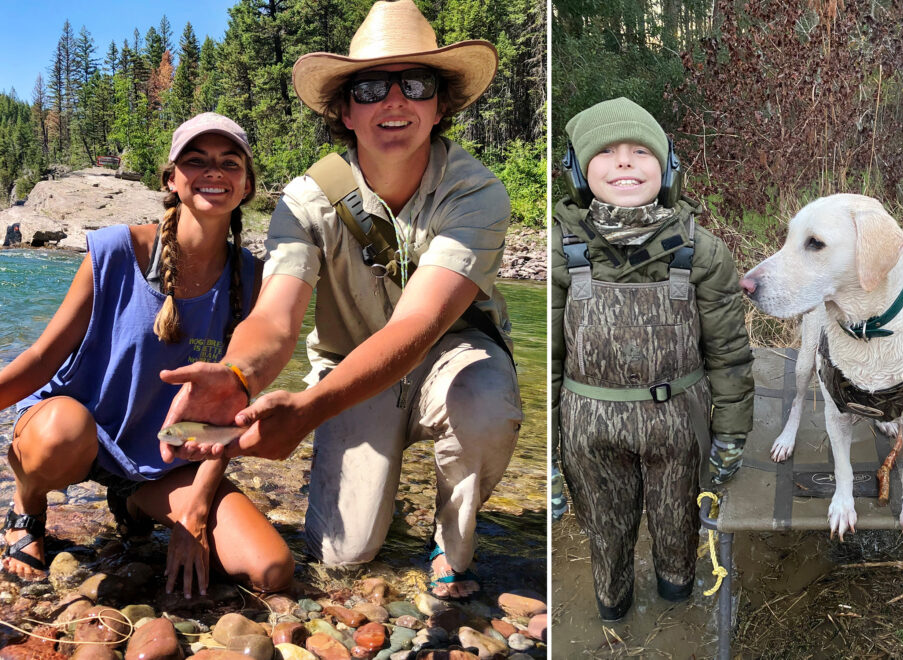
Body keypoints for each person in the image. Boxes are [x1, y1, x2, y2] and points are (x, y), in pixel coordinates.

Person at [158, 0, 521, 600]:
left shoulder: (477, 193)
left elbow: (418, 325)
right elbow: (275, 315)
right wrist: (239, 374)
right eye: (371, 87)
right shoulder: (305, 200)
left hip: (451, 359)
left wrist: (307, 410)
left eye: (416, 84)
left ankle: (450, 541)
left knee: (484, 403)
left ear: (440, 105)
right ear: (345, 112)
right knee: (343, 556)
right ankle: (382, 491)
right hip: (352, 371)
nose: (394, 101)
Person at [0, 113, 294, 595]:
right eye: (196, 161)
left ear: (247, 186)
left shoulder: (254, 280)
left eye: (230, 163)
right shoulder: (117, 251)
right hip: (79, 431)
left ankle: (133, 502)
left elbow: (229, 415)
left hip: (161, 457)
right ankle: (27, 504)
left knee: (270, 570)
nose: (214, 172)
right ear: (171, 180)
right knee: (59, 433)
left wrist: (196, 508)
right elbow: (41, 358)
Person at [550, 98, 754, 621]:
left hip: (680, 426)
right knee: (606, 535)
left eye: (641, 151)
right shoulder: (559, 252)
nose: (624, 161)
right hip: (589, 432)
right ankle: (614, 615)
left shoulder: (703, 251)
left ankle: (676, 613)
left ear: (667, 168)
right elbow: (547, 364)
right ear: (578, 171)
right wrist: (545, 455)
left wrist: (731, 434)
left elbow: (729, 356)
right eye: (606, 152)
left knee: (680, 530)